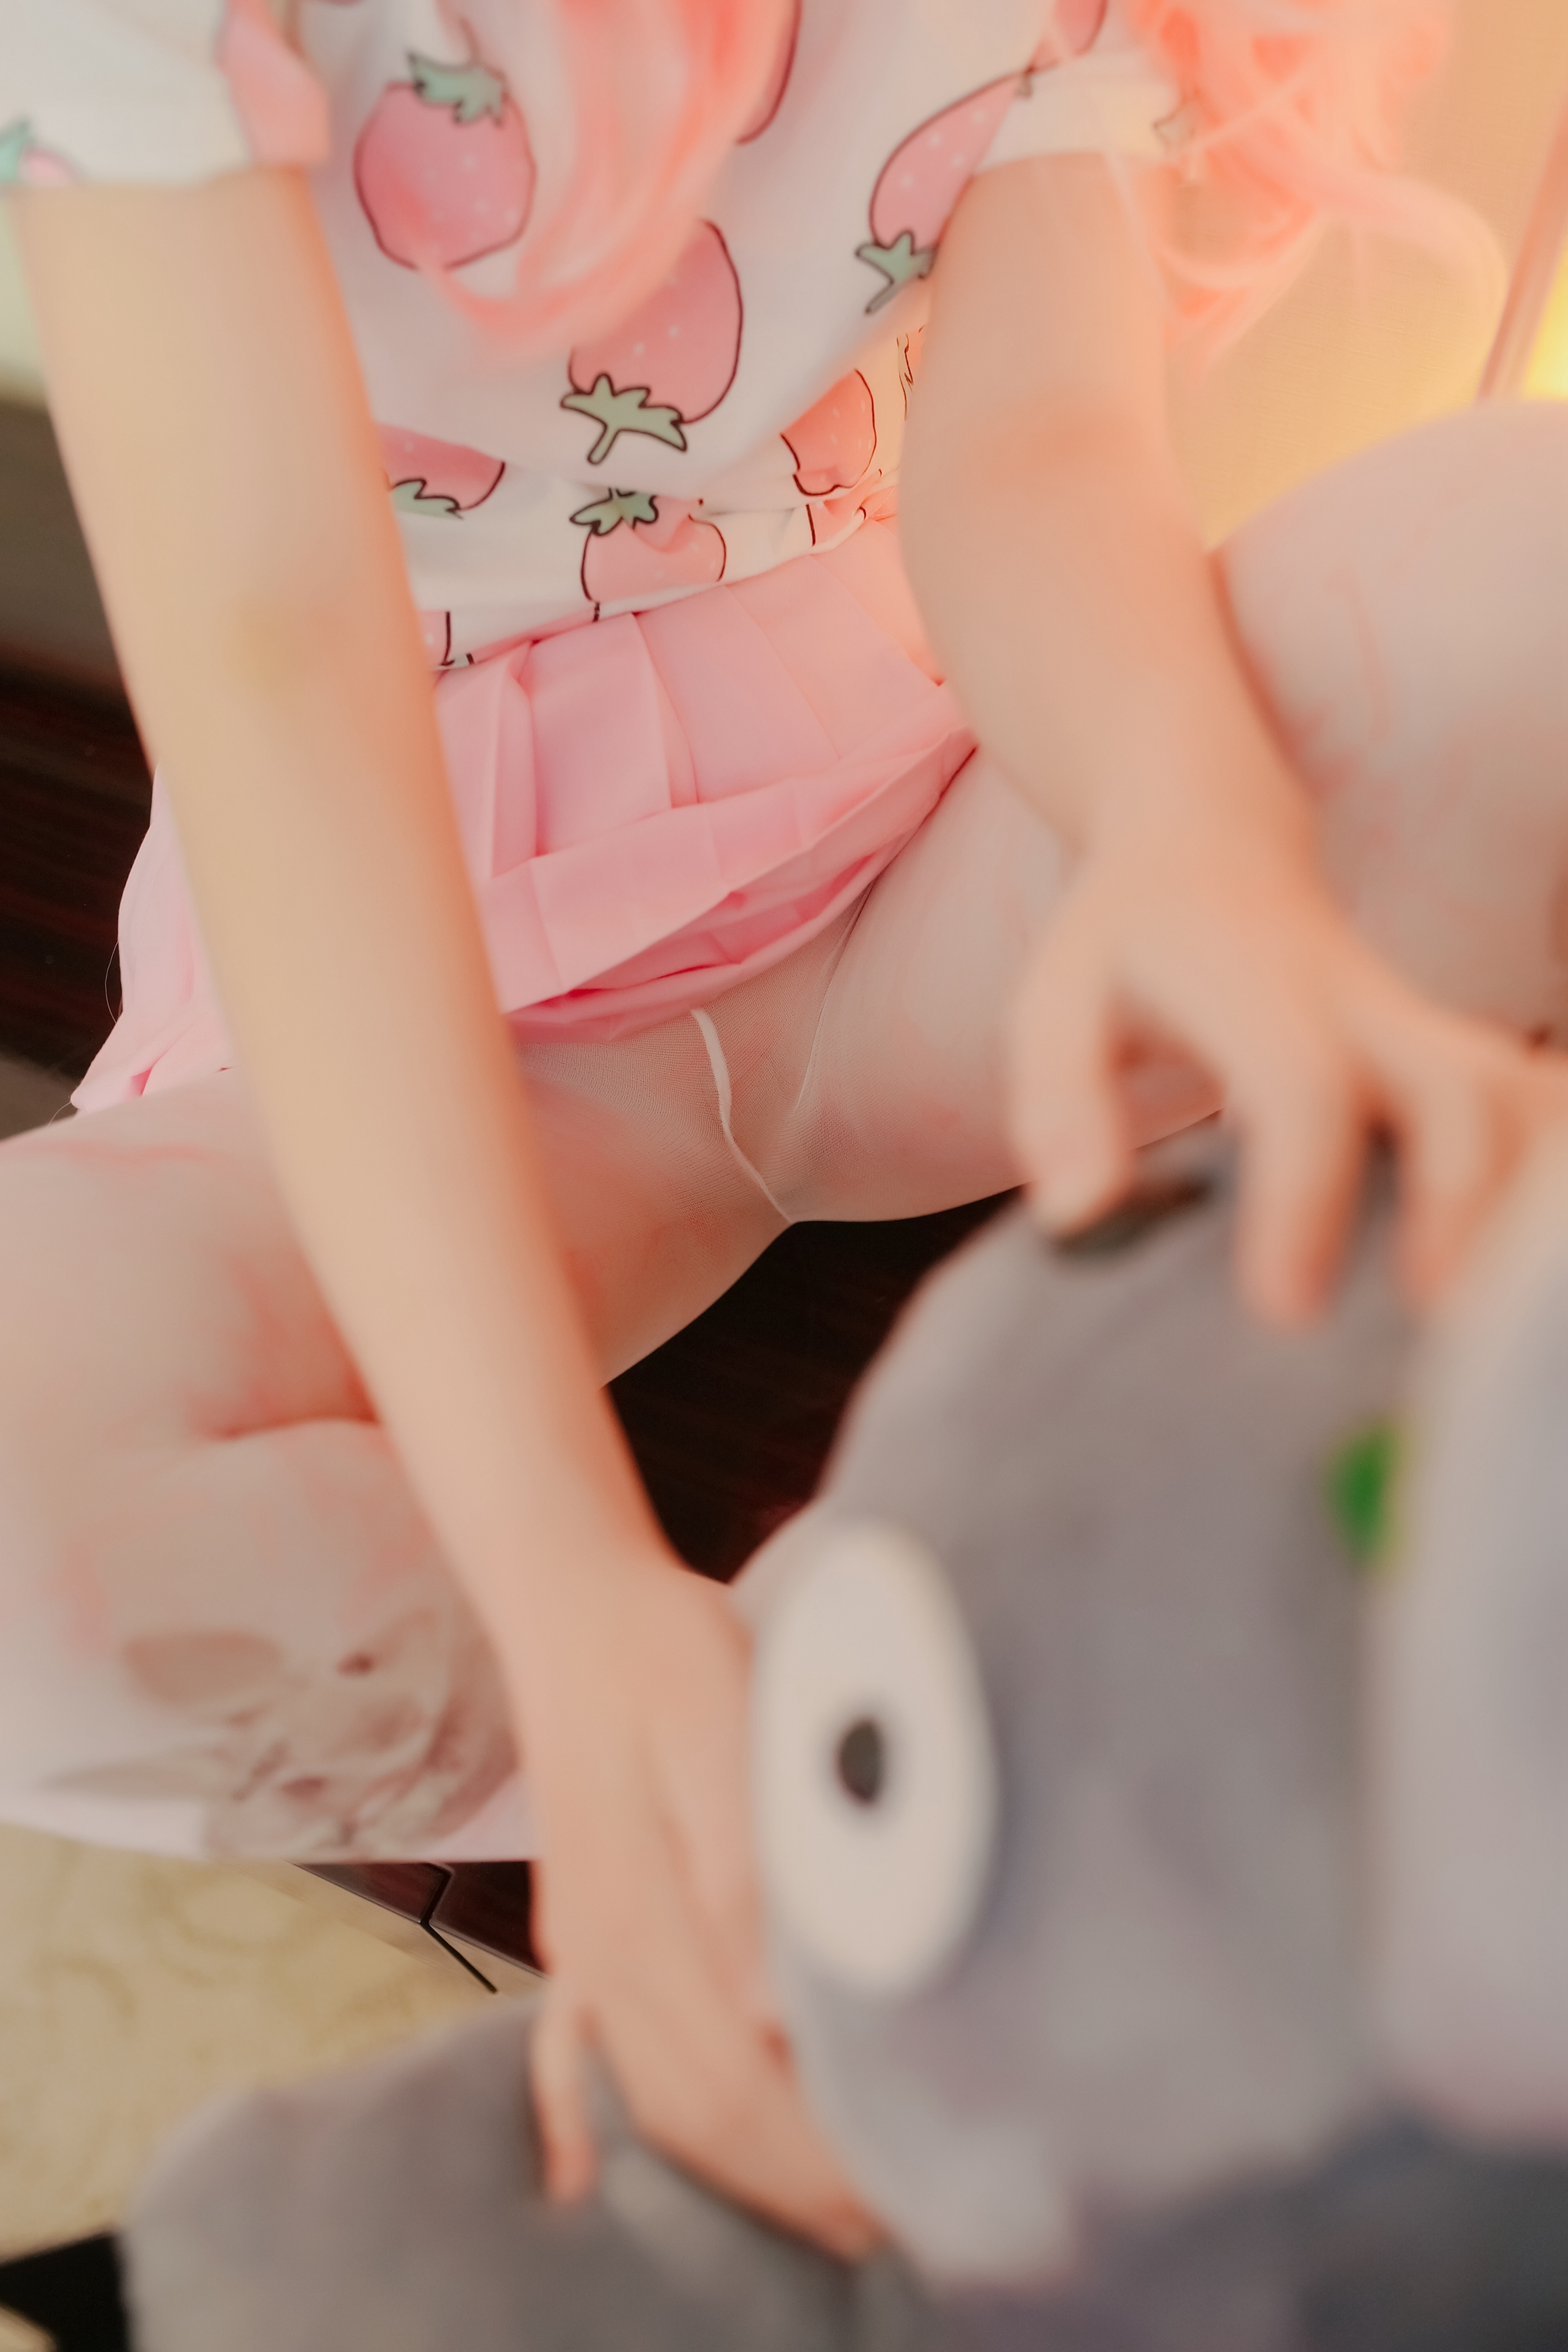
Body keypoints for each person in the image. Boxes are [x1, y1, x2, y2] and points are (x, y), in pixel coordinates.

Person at [1, 0, 1566, 2259]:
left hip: (915, 856)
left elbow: (1038, 448)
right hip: (449, 1031)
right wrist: (562, 1589)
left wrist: (1187, 823)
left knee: (1522, 570)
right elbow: (272, 650)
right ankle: (865, 1780)